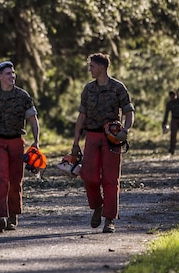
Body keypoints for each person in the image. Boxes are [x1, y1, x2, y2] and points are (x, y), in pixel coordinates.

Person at [71, 53, 135, 234]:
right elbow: (81, 116)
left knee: (110, 179)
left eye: (92, 66)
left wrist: (126, 130)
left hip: (112, 138)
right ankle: (97, 206)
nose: (89, 69)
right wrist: (76, 142)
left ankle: (109, 219)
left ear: (101, 67)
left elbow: (129, 111)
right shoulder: (88, 89)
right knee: (88, 175)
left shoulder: (118, 87)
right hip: (91, 136)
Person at [0, 60, 40, 233]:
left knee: (14, 180)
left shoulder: (22, 96)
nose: (11, 76)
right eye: (7, 73)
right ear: (0, 77)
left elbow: (33, 120)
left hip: (17, 141)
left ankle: (13, 215)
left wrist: (36, 141)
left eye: (13, 73)